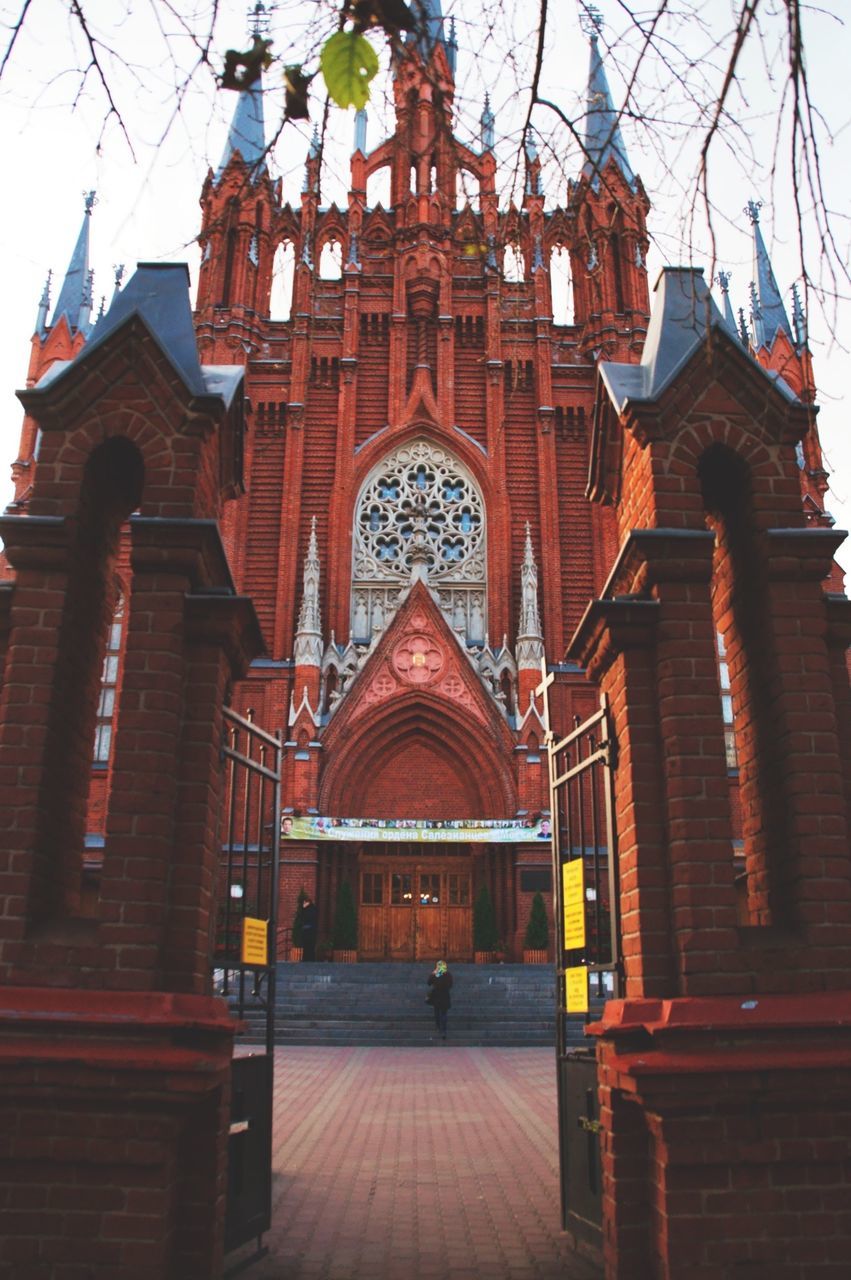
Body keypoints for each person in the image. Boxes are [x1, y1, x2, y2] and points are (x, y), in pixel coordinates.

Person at [426, 959, 453, 1041]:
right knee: (444, 1014)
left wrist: (433, 973)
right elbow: (450, 985)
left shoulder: (436, 974)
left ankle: (438, 1027)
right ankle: (444, 1031)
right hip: (445, 996)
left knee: (437, 1013)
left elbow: (428, 982)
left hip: (436, 996)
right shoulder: (448, 974)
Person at [300, 895, 317, 961]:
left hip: (308, 930)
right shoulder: (312, 908)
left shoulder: (309, 909)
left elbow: (305, 918)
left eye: (304, 903)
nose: (303, 904)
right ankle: (309, 958)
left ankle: (307, 958)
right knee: (309, 945)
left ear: (307, 902)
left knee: (307, 945)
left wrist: (303, 908)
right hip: (310, 930)